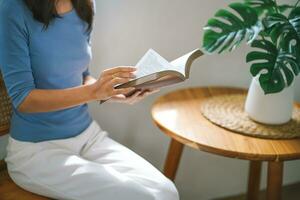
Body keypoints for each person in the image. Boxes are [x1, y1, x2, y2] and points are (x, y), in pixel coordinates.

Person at [0, 0, 179, 199]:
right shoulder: (12, 9)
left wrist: (114, 91)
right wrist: (94, 92)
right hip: (37, 150)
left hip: (87, 135)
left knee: (167, 191)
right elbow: (23, 99)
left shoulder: (85, 4)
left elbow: (82, 74)